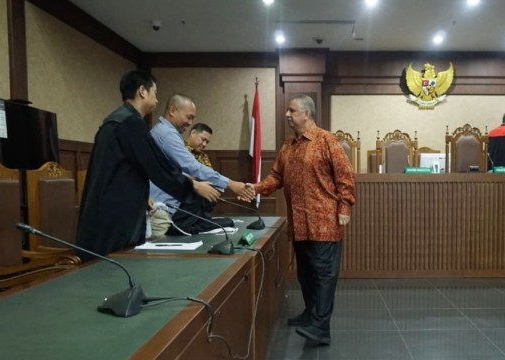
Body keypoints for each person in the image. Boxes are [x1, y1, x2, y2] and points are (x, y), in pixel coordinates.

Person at [76, 70, 220, 261]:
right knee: (113, 270)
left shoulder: (116, 120)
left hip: (104, 210)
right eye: (155, 93)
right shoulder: (130, 123)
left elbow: (125, 170)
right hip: (116, 216)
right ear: (142, 91)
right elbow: (156, 167)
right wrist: (192, 186)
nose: (157, 100)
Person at [252, 94, 355, 345]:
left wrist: (345, 207)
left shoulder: (327, 140)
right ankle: (310, 314)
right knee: (306, 274)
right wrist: (255, 188)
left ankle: (321, 329)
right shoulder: (289, 145)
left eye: (292, 110)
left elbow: (346, 176)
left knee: (323, 276)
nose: (287, 114)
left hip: (325, 223)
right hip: (299, 224)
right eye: (287, 111)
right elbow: (276, 176)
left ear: (306, 114)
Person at [149, 94, 255, 234]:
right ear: (173, 110)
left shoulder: (166, 132)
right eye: (189, 117)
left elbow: (176, 171)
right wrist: (231, 184)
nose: (190, 122)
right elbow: (192, 166)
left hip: (173, 208)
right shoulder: (166, 134)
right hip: (164, 210)